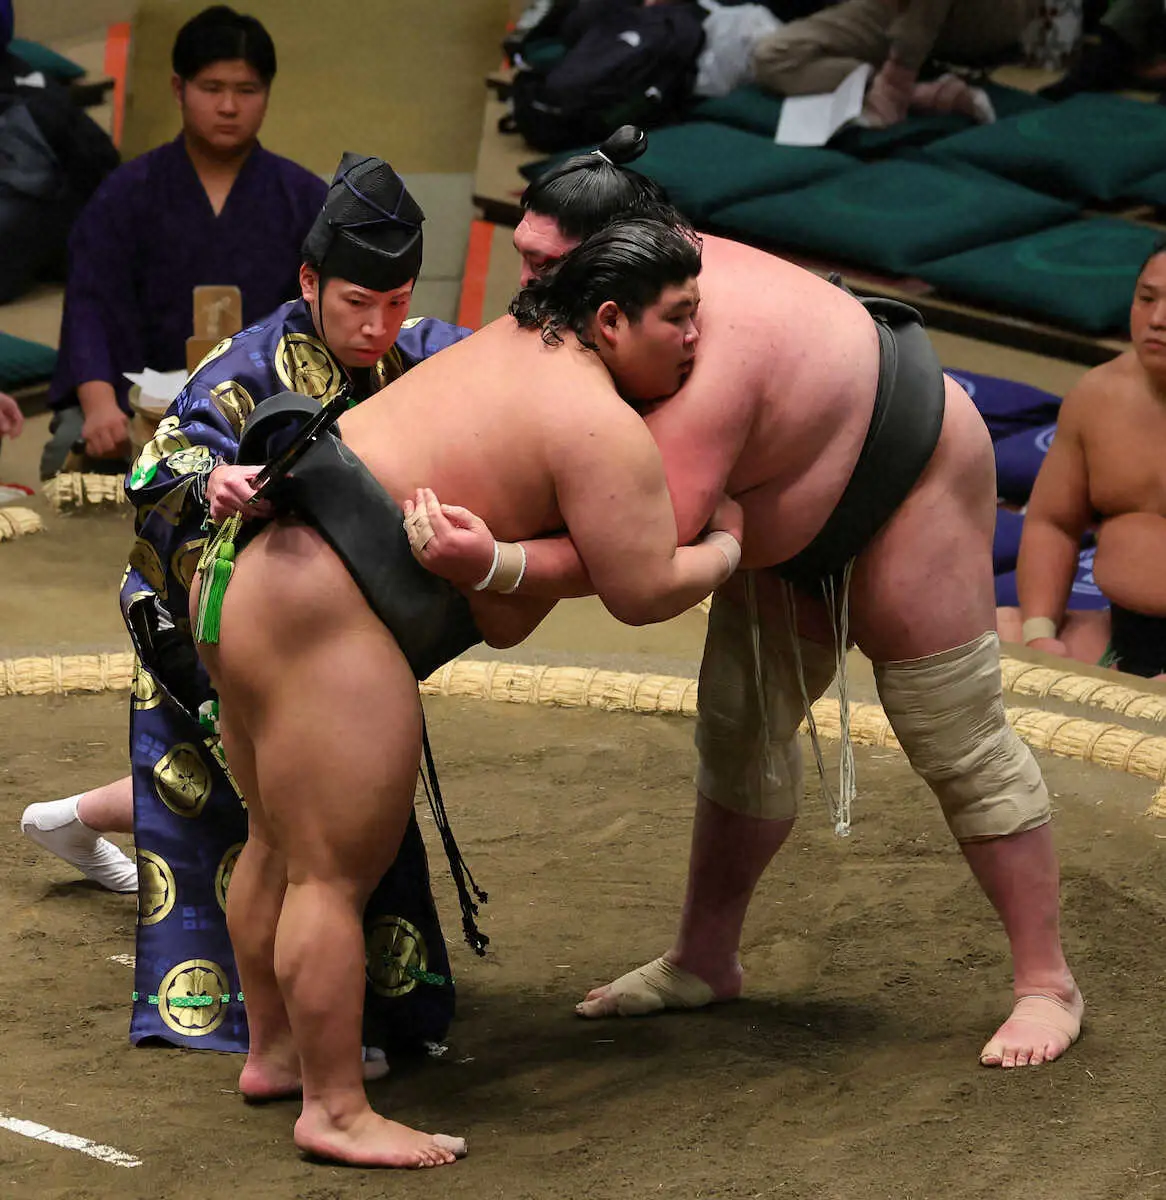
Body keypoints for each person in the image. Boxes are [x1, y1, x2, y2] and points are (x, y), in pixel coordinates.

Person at [415, 127, 1082, 1072]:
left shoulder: (697, 342)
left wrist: (498, 566)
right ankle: (704, 957)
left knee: (954, 733)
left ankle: (1047, 982)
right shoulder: (610, 307)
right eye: (521, 256)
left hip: (908, 479)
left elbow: (646, 561)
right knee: (739, 722)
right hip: (777, 511)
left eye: (542, 264)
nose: (524, 285)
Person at [192, 214, 740, 1168]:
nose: (697, 341)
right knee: (327, 874)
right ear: (610, 319)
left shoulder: (510, 339)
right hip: (326, 606)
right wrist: (727, 547)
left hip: (237, 579)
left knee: (277, 842)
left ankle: (278, 1052)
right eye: (680, 319)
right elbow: (645, 586)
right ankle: (335, 1110)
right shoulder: (596, 423)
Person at [22, 153, 475, 1059]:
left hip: (326, 629)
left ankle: (70, 820)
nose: (377, 325)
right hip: (204, 620)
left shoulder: (415, 350)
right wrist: (212, 480)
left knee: (274, 809)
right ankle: (334, 1033)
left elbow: (504, 377)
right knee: (303, 825)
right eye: (356, 304)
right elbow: (153, 471)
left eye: (396, 304)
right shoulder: (246, 366)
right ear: (310, 281)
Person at [39, 5, 327, 480]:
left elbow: (325, 316)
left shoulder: (304, 199)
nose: (229, 106)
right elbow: (90, 305)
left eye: (247, 90)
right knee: (68, 451)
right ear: (179, 89)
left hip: (266, 404)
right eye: (212, 89)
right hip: (139, 401)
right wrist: (98, 406)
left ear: (267, 94)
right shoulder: (125, 194)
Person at [1013, 242, 1166, 679]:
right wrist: (1039, 635)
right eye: (1147, 299)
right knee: (971, 640)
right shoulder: (1097, 395)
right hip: (1119, 632)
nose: (1157, 321)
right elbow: (1052, 522)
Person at [750, 0, 1039, 128]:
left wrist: (901, 67)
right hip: (888, 8)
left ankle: (898, 81)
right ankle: (917, 94)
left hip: (982, 12)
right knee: (773, 56)